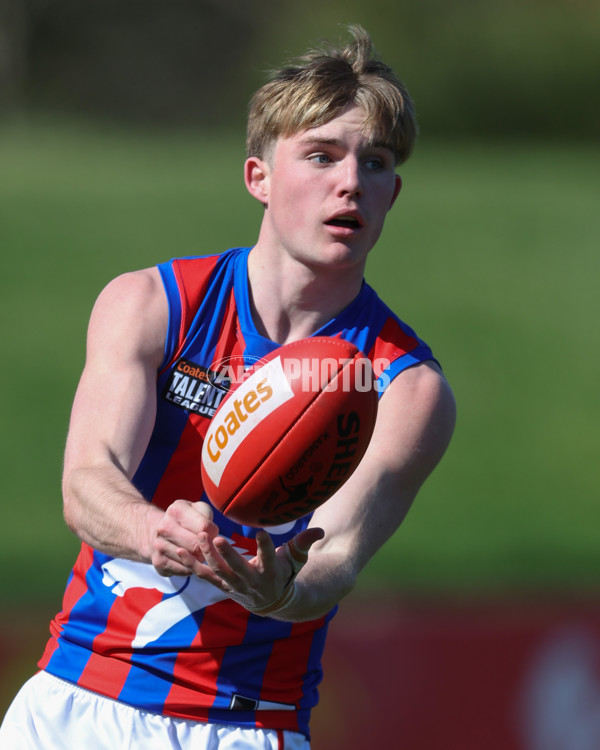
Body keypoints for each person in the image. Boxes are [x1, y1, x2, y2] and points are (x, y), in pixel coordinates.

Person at [0, 24, 456, 750]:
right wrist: (157, 531)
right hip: (76, 704)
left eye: (374, 163)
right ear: (259, 178)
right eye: (321, 155)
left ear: (391, 193)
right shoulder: (154, 304)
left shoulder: (404, 386)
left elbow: (337, 557)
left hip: (242, 725)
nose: (350, 182)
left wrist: (284, 591)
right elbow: (86, 483)